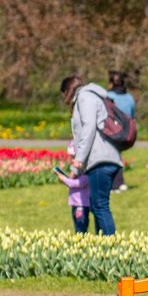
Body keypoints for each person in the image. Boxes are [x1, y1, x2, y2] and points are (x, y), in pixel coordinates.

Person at [60, 75, 124, 236]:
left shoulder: (84, 97)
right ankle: (103, 242)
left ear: (67, 90)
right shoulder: (94, 96)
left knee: (99, 205)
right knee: (98, 205)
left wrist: (77, 163)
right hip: (107, 156)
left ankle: (110, 245)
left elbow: (88, 129)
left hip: (100, 159)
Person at [107, 71, 135, 192]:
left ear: (111, 83)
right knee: (116, 155)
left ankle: (116, 183)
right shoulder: (129, 97)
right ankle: (119, 182)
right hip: (127, 130)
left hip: (114, 129)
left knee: (111, 156)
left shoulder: (109, 96)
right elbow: (132, 115)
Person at [57, 141, 90, 233]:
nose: (71, 160)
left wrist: (64, 179)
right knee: (76, 225)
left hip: (82, 204)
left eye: (73, 157)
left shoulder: (87, 171)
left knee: (81, 226)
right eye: (70, 157)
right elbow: (71, 181)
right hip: (75, 204)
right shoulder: (77, 171)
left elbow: (79, 183)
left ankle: (82, 240)